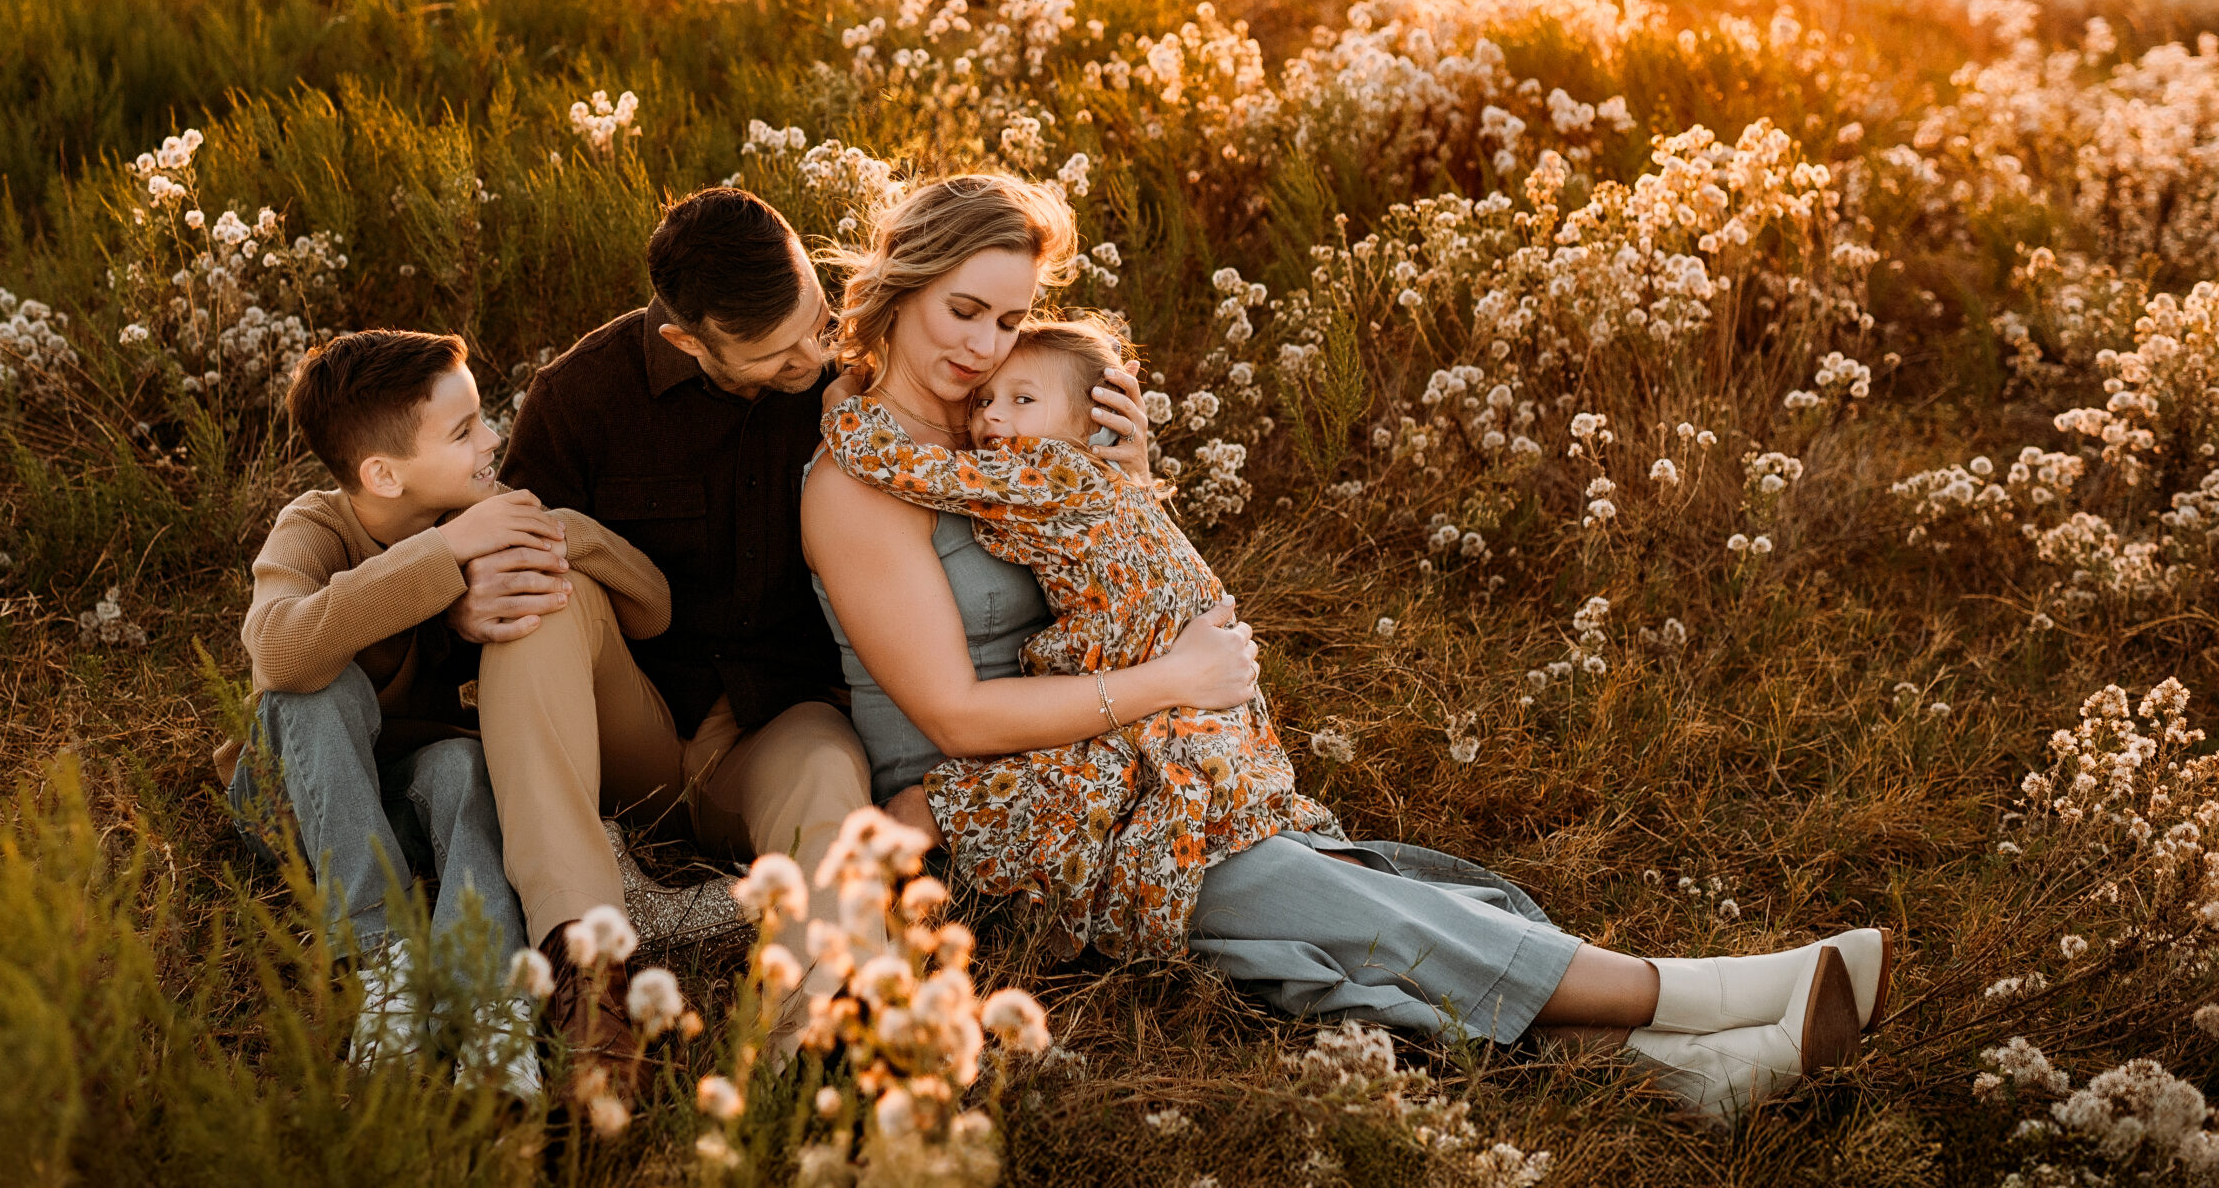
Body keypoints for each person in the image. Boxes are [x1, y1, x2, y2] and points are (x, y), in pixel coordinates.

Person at [801, 173, 1896, 1127]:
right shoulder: (858, 487)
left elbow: (1111, 590)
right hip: (979, 808)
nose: (984, 348)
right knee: (1269, 875)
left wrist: (1124, 495)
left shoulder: (985, 431)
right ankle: (1698, 993)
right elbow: (955, 716)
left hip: (1104, 766)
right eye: (963, 311)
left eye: (1009, 321)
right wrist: (1175, 680)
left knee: (1301, 930)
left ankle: (1694, 1076)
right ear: (898, 283)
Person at [472, 185, 1143, 1091]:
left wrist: (1119, 480)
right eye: (777, 350)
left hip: (773, 725)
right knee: (534, 593)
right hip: (627, 723)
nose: (815, 354)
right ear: (689, 341)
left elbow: (1018, 454)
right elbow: (501, 552)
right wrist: (472, 604)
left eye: (816, 322)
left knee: (830, 777)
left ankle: (818, 1032)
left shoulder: (855, 384)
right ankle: (590, 976)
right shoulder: (581, 399)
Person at [223, 328, 669, 1088]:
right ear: (383, 474)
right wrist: (445, 560)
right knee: (320, 681)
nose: (493, 436)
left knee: (470, 763)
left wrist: (552, 533)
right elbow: (280, 654)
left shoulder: (485, 514)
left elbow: (652, 605)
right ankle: (383, 962)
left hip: (404, 794)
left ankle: (487, 1008)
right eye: (464, 431)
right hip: (295, 797)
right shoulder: (314, 527)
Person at [817, 312, 1338, 960]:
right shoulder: (1091, 472)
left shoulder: (1048, 468)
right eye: (985, 401)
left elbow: (902, 467)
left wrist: (842, 407)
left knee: (1113, 787)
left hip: (1156, 662)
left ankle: (957, 831)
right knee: (1136, 790)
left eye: (1022, 400)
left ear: (1089, 424)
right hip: (1170, 655)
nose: (991, 419)